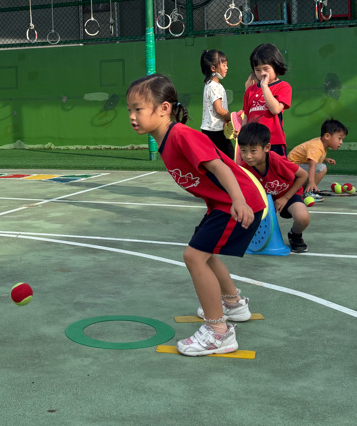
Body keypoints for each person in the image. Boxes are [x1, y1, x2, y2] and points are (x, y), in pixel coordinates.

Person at [127, 73, 267, 356]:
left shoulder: (181, 135)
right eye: (129, 110)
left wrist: (238, 201)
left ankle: (219, 332)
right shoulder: (166, 140)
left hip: (237, 202)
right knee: (205, 252)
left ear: (164, 108)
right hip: (222, 204)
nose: (132, 116)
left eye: (138, 109)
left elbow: (220, 167)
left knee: (193, 256)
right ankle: (233, 303)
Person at [236, 123, 312, 252]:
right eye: (243, 150)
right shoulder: (243, 168)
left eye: (253, 151)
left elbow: (303, 175)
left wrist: (285, 198)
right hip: (264, 199)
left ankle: (295, 235)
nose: (248, 156)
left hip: (288, 194)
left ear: (267, 148)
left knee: (302, 217)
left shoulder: (276, 160)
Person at [242, 43, 292, 156]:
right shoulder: (250, 91)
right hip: (253, 144)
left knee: (277, 167)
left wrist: (264, 87)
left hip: (274, 142)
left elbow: (275, 109)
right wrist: (243, 137)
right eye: (257, 70)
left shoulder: (283, 87)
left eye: (266, 69)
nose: (262, 73)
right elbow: (246, 117)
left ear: (276, 66)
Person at [288, 118, 349, 198]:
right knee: (322, 168)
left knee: (320, 166)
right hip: (290, 171)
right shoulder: (316, 147)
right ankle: (309, 191)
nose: (341, 142)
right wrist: (311, 182)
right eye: (339, 138)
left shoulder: (320, 142)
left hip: (293, 168)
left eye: (342, 139)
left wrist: (325, 159)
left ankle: (300, 189)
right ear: (327, 136)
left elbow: (313, 157)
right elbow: (312, 165)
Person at [198, 48, 235, 158]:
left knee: (214, 159)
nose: (227, 68)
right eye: (224, 65)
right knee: (228, 156)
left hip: (208, 130)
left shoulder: (208, 84)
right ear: (213, 68)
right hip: (216, 131)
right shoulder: (215, 86)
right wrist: (233, 118)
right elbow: (219, 109)